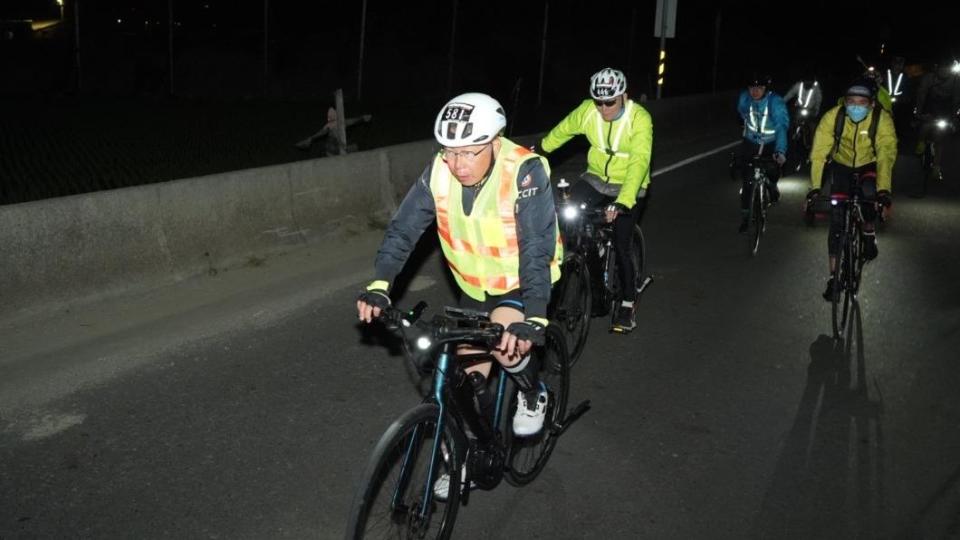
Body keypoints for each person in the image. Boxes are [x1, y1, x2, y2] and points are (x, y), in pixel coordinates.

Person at [356, 92, 562, 446]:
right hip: (471, 285)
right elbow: (404, 228)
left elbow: (536, 247)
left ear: (494, 142)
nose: (457, 163)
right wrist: (380, 284)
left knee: (503, 343)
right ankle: (467, 456)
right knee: (466, 386)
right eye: (449, 151)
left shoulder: (525, 171)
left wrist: (537, 316)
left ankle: (532, 391)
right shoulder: (439, 170)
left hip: (520, 283)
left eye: (468, 152)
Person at [538, 67, 653, 333]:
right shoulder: (588, 110)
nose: (603, 108)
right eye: (598, 101)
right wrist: (539, 151)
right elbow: (563, 130)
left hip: (629, 186)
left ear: (624, 95)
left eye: (609, 102)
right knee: (568, 215)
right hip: (596, 178)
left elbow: (639, 161)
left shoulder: (640, 119)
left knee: (622, 243)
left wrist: (624, 201)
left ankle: (627, 301)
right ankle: (584, 259)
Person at [805, 79, 896, 301]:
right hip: (842, 165)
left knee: (868, 195)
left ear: (871, 104)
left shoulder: (881, 120)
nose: (855, 106)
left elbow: (886, 155)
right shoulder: (833, 117)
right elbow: (818, 153)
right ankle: (834, 278)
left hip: (870, 164)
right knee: (836, 222)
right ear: (844, 102)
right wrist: (815, 188)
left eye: (861, 102)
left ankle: (868, 231)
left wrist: (883, 192)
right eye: (851, 102)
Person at [734, 73, 789, 233]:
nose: (755, 91)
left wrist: (780, 151)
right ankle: (746, 217)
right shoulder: (745, 99)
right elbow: (741, 113)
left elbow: (781, 127)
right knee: (747, 181)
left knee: (772, 169)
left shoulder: (775, 103)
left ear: (766, 89)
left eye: (759, 88)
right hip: (751, 141)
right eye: (752, 88)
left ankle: (772, 185)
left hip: (771, 142)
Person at [913, 56, 960, 180]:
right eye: (942, 69)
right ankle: (921, 142)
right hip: (929, 106)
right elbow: (921, 95)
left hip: (945, 109)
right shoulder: (929, 78)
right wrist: (919, 112)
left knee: (940, 138)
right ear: (937, 69)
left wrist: (954, 117)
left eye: (947, 69)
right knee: (925, 125)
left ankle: (936, 168)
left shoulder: (956, 81)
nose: (944, 72)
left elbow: (956, 99)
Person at [295, 106, 372, 156]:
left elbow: (352, 121)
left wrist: (362, 118)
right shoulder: (329, 126)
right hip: (332, 148)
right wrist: (311, 138)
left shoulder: (342, 122)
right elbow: (322, 132)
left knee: (355, 147)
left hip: (339, 147)